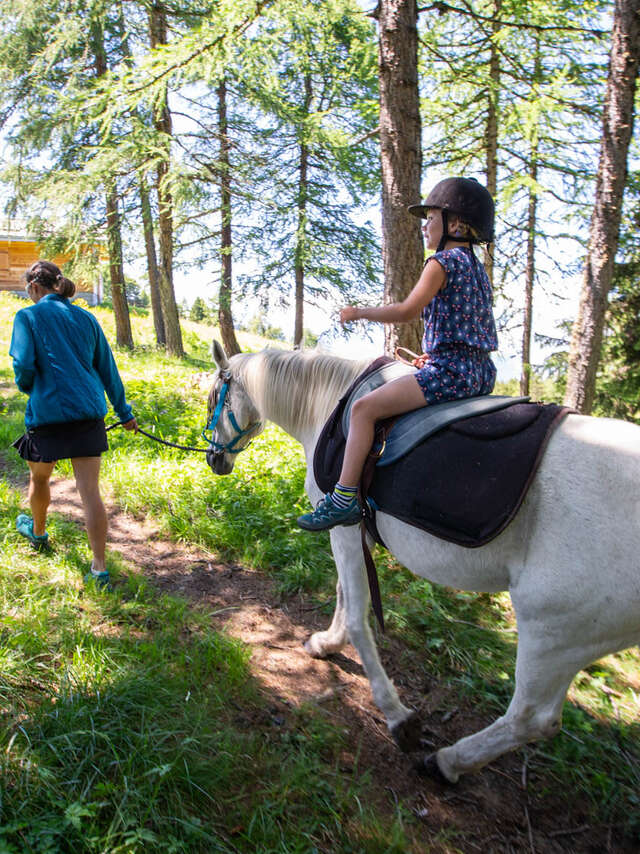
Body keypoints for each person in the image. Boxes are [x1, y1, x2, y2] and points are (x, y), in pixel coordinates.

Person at [297, 176, 498, 531]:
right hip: (480, 371)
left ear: (455, 223)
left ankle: (343, 498)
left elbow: (407, 311)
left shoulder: (441, 263)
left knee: (363, 408)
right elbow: (464, 328)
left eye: (431, 218)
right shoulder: (476, 269)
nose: (424, 227)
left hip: (451, 371)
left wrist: (359, 312)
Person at [10, 260, 138, 587]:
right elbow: (109, 370)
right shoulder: (87, 318)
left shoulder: (28, 316)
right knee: (90, 491)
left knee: (39, 480)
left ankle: (38, 533)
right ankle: (99, 569)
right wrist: (124, 414)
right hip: (88, 415)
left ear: (35, 288)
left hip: (47, 416)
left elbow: (23, 365)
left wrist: (28, 387)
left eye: (28, 291)